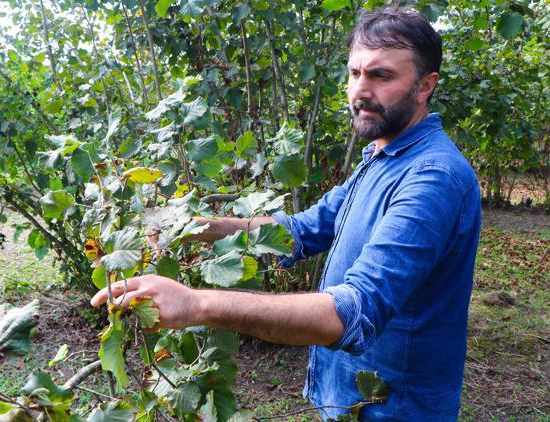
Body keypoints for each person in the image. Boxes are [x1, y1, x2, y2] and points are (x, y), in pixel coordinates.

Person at [91, 6, 481, 420]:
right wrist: (200, 227)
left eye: (381, 76)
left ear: (425, 86)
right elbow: (304, 229)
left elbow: (354, 311)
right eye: (354, 74)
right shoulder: (384, 156)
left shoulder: (432, 178)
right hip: (350, 400)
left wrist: (196, 305)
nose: (360, 91)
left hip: (396, 410)